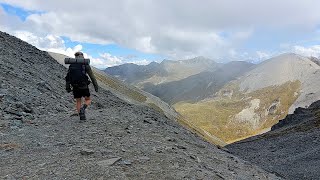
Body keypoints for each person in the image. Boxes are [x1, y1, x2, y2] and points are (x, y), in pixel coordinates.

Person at [65, 51, 98, 121]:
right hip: (84, 86)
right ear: (82, 56)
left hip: (75, 86)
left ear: (75, 57)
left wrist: (67, 87)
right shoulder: (85, 64)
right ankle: (83, 109)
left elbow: (68, 77)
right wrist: (96, 86)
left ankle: (81, 116)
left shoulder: (71, 65)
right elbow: (92, 76)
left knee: (78, 101)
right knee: (88, 99)